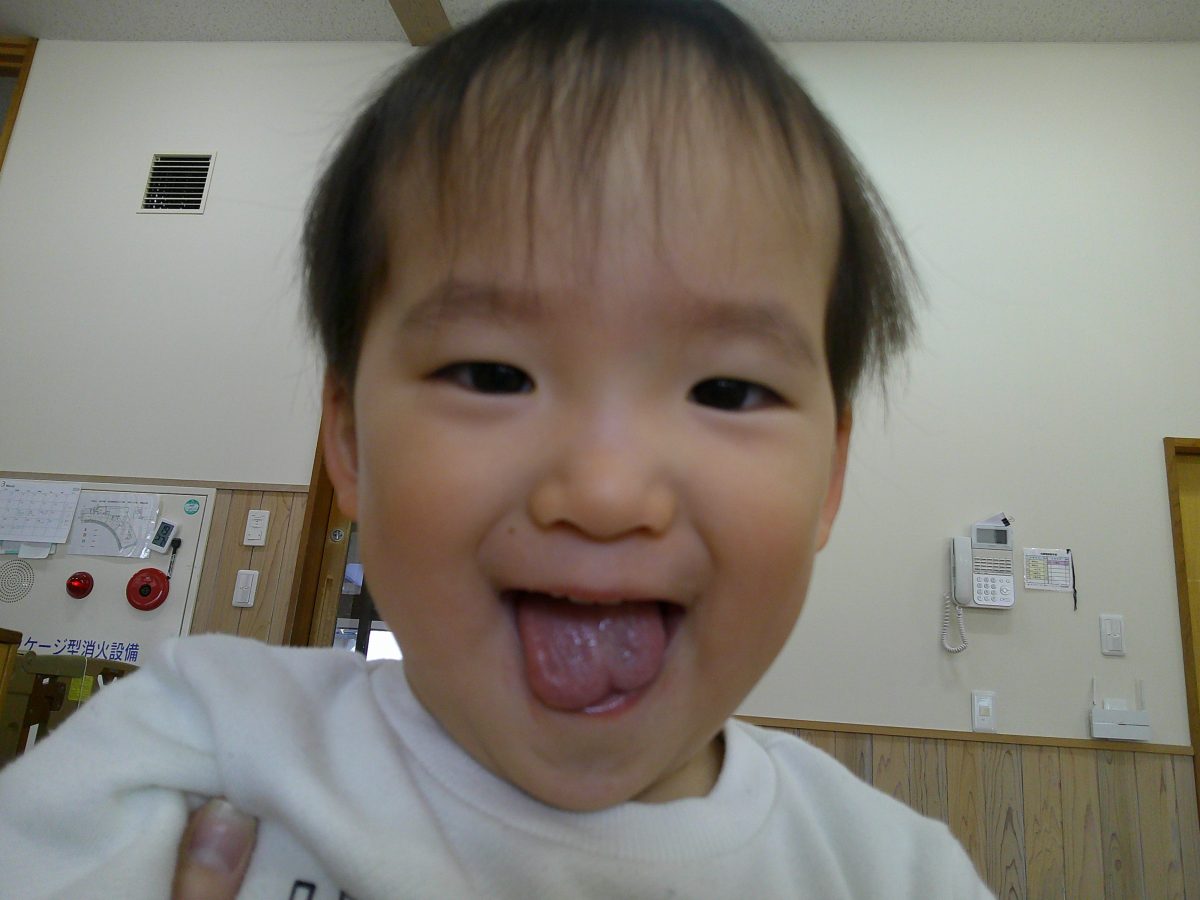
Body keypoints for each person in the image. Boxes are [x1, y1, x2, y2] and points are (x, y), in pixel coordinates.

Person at [1, 1, 993, 897]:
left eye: (728, 390)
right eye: (491, 374)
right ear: (350, 442)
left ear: (830, 479)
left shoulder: (891, 874)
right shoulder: (199, 750)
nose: (606, 490)